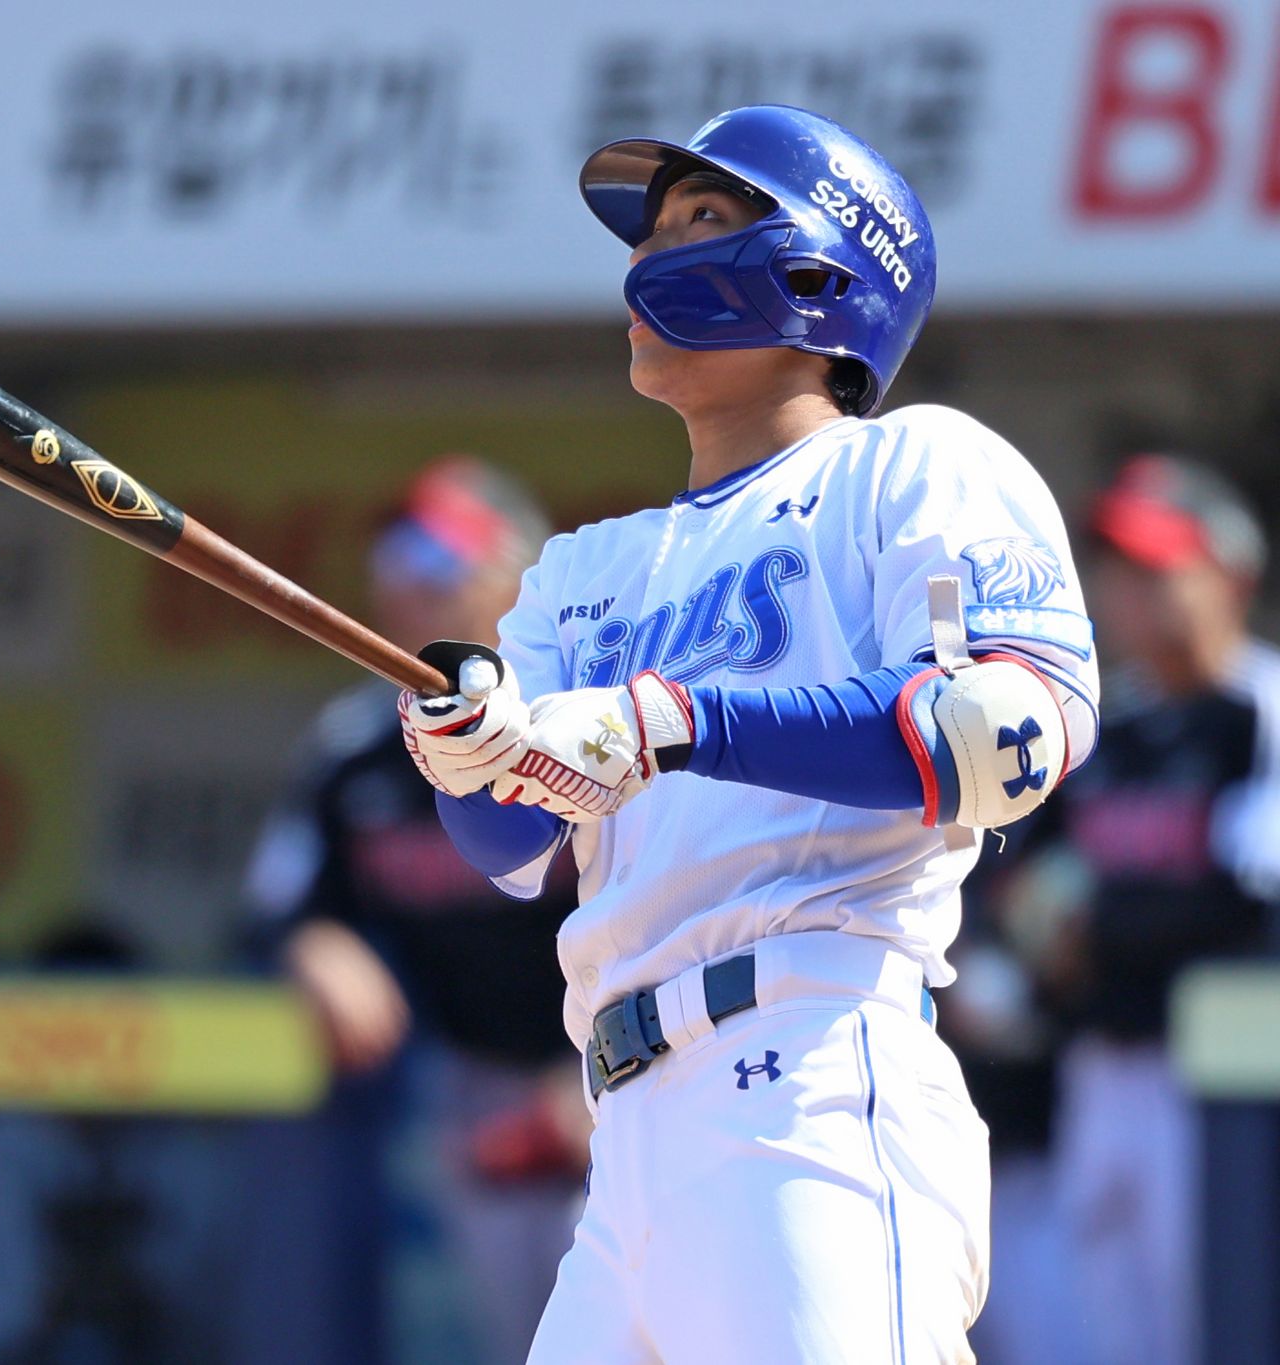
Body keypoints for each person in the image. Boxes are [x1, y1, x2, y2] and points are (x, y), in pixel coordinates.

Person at [399, 105, 1101, 1362]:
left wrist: (673, 720)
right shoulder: (576, 569)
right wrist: (470, 744)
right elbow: (502, 844)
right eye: (648, 231)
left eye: (699, 219)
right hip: (624, 1134)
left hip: (810, 1069)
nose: (646, 258)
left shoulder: (914, 465)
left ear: (822, 269)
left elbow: (1005, 738)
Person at [244, 456, 589, 1364]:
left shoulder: (589, 716)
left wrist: (620, 1064)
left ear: (517, 577)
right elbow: (283, 899)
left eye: (436, 562)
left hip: (638, 1074)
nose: (405, 589)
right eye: (392, 563)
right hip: (469, 1092)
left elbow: (697, 904)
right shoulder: (356, 745)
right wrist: (317, 942)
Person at [978, 455, 1279, 1365]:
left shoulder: (1258, 709)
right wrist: (1031, 948)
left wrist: (1092, 927)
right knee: (1104, 1326)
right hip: (1098, 1065)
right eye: (1115, 569)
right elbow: (1014, 889)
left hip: (1225, 1076)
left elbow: (1250, 903)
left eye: (1156, 568)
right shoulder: (1107, 721)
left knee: (1223, 1317)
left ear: (1228, 572)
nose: (1127, 592)